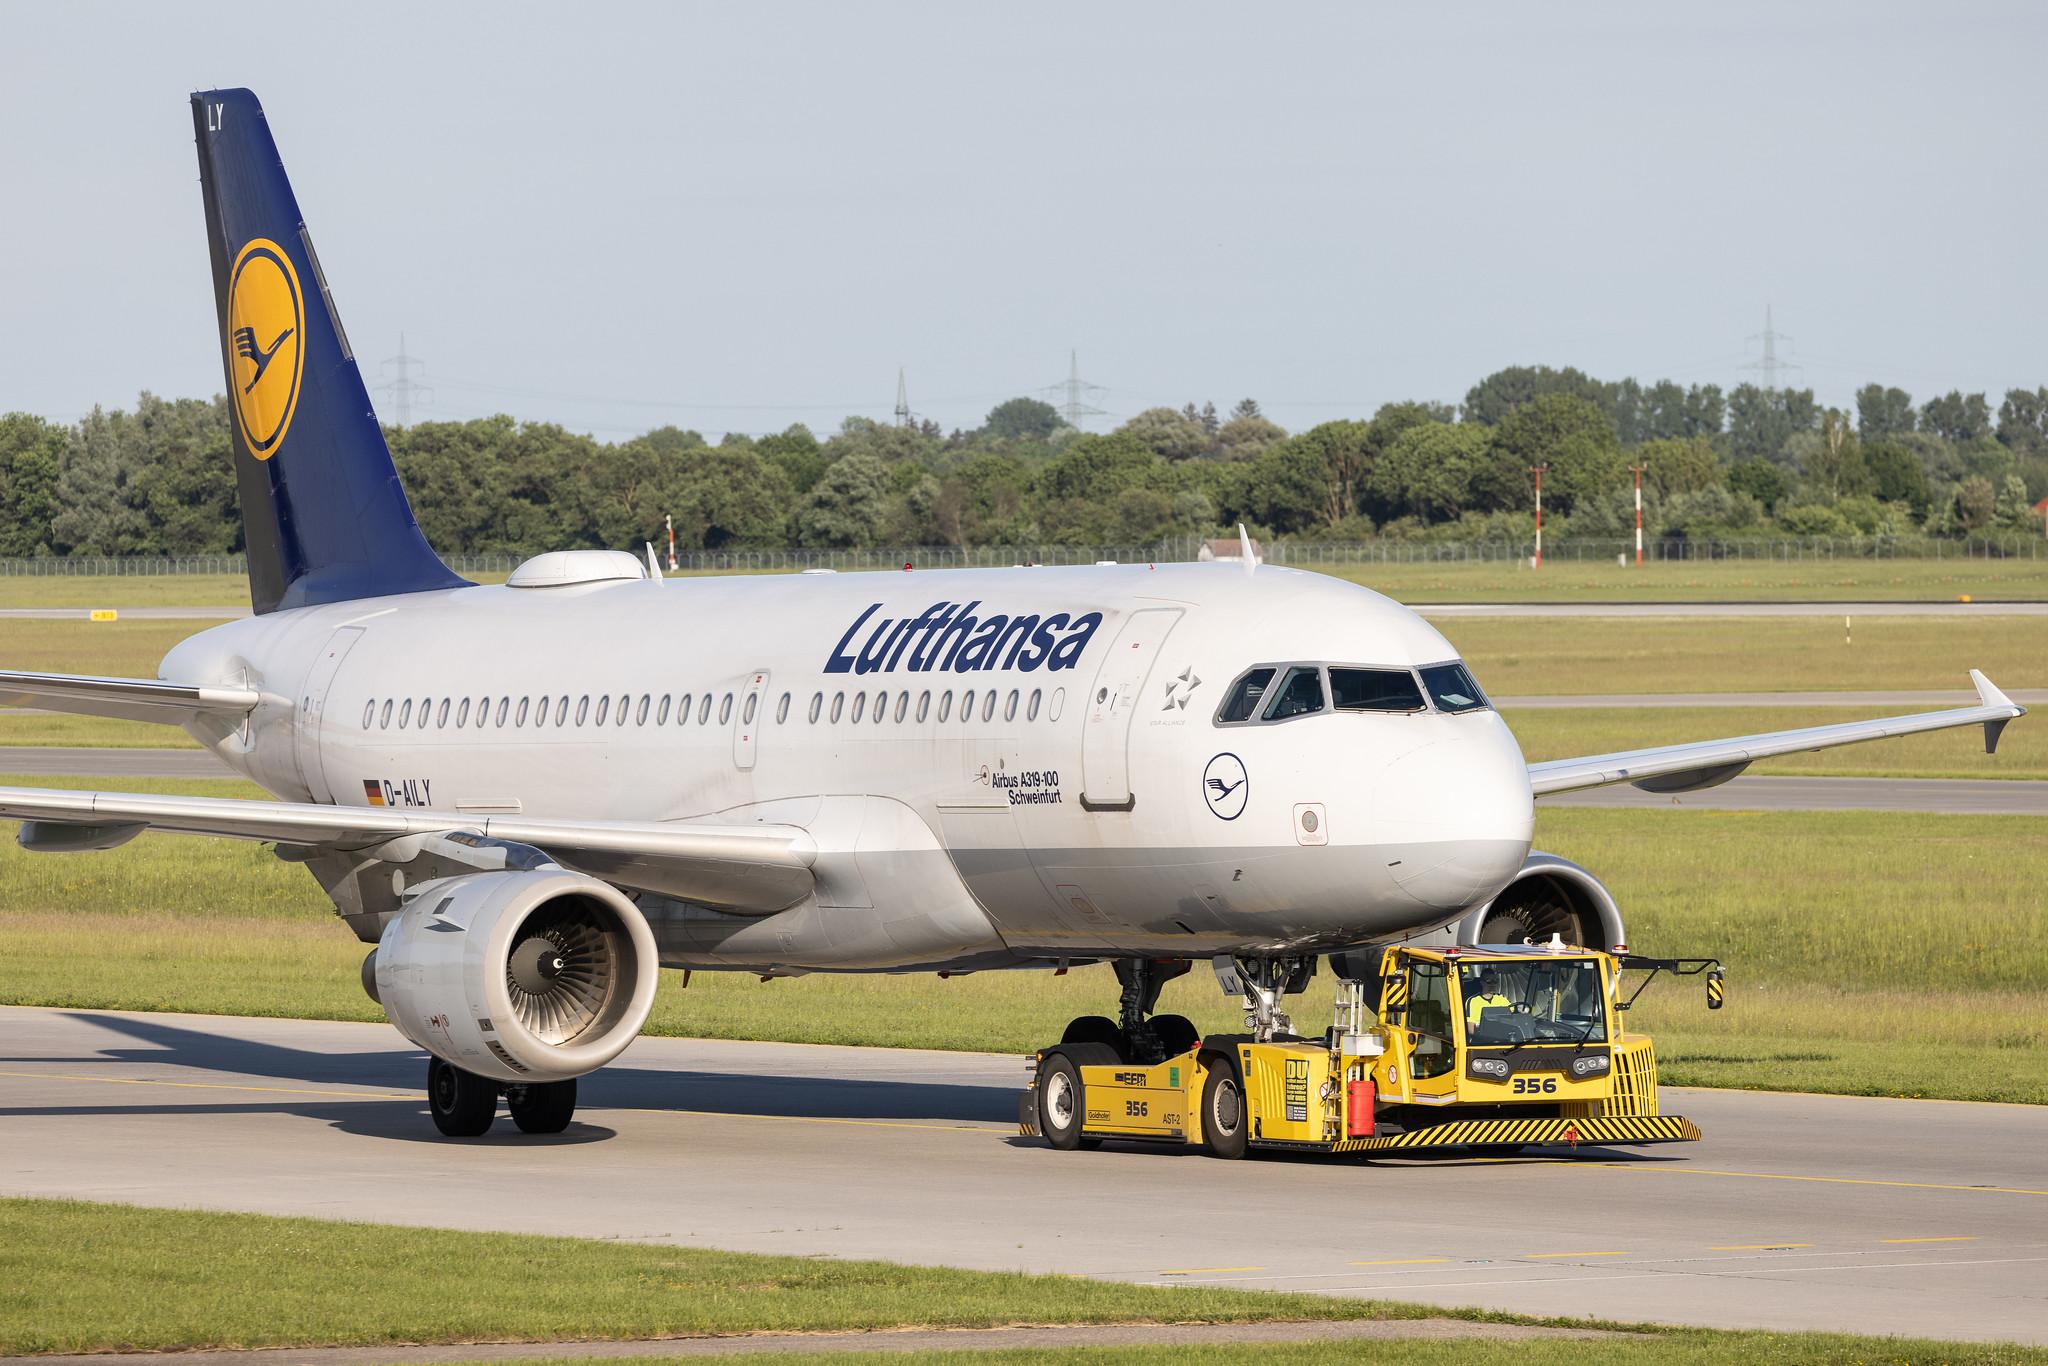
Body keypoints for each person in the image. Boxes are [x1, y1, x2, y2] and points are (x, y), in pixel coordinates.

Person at [1465, 969, 1513, 1035]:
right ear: (1482, 982)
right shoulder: (1473, 1001)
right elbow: (1471, 1029)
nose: (1493, 984)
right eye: (1489, 981)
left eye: (1495, 981)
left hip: (1503, 1036)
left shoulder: (1502, 998)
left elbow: (1514, 1014)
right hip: (1482, 1038)